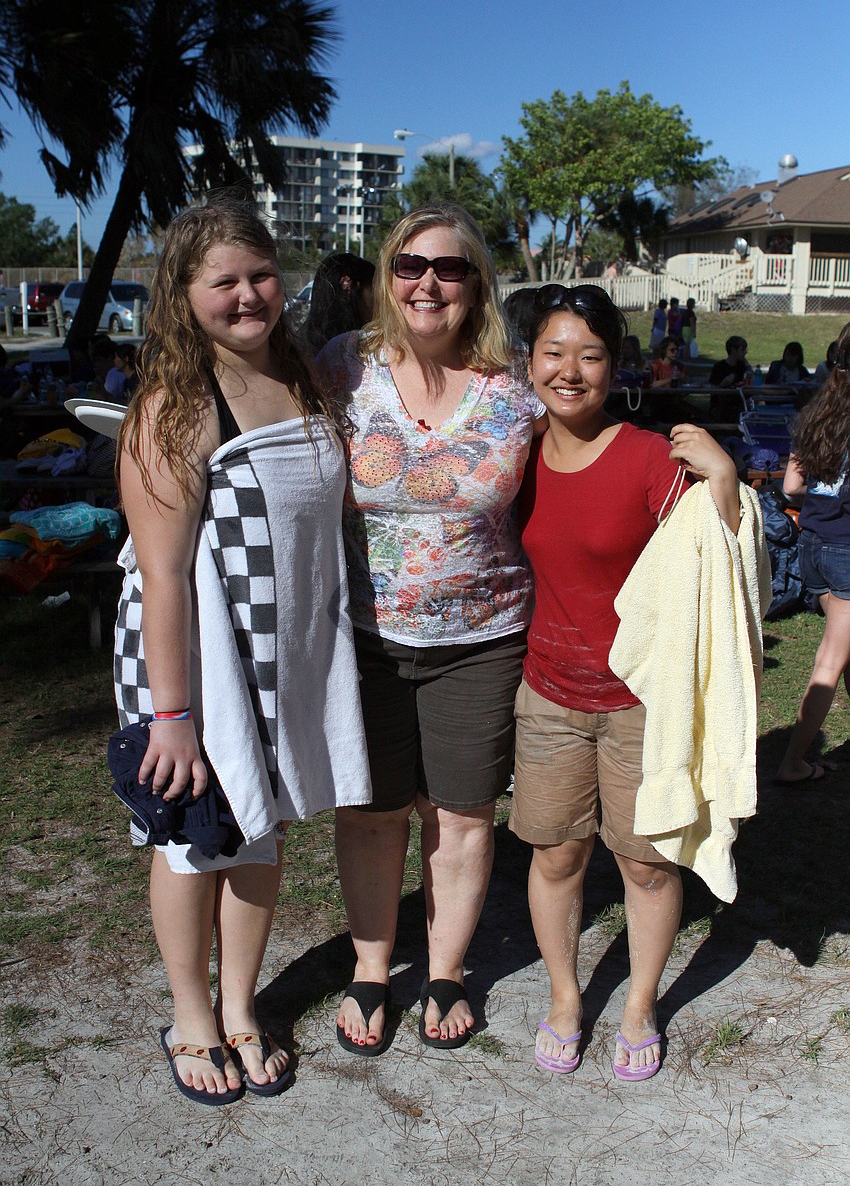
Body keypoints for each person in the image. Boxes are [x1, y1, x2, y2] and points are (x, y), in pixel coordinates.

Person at [113, 197, 371, 1105]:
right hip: (197, 667)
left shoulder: (300, 375)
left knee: (259, 833)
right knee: (191, 841)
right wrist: (174, 719)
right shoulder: (174, 408)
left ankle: (239, 1010)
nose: (247, 295)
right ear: (184, 295)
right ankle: (189, 1015)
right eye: (222, 281)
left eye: (260, 275)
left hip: (283, 659)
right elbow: (167, 578)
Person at [316, 204, 543, 1054]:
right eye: (411, 265)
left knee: (462, 813)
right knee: (373, 812)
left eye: (449, 269)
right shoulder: (342, 367)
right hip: (365, 637)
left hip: (482, 637)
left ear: (476, 284)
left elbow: (586, 439)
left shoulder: (516, 381)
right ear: (388, 275)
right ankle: (372, 967)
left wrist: (696, 466)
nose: (428, 283)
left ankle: (445, 967)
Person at [509, 283, 740, 1081]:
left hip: (642, 700)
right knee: (556, 855)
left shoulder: (648, 456)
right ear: (529, 362)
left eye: (591, 354)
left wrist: (724, 479)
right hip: (547, 695)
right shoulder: (513, 450)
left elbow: (724, 560)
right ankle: (567, 996)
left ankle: (639, 1004)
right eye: (554, 351)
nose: (570, 370)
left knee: (646, 862)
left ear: (616, 367)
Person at [775, 323, 850, 785]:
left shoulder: (818, 412)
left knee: (843, 650)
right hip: (844, 550)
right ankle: (792, 763)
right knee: (830, 659)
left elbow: (790, 486)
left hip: (813, 546)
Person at [299, 252, 375, 354]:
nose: (379, 301)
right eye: (374, 290)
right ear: (349, 286)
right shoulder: (361, 353)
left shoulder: (298, 344)